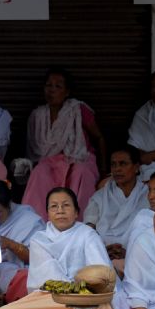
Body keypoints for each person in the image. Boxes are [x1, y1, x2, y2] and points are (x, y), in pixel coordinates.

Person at [0, 187, 113, 309]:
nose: (60, 210)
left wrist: (83, 292)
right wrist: (71, 290)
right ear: (48, 214)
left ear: (76, 212)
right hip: (53, 299)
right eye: (54, 206)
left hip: (87, 302)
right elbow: (49, 279)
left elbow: (103, 274)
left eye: (66, 205)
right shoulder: (39, 239)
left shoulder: (88, 235)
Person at [22, 68, 107, 221]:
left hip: (79, 158)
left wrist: (103, 169)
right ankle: (35, 224)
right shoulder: (37, 115)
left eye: (58, 86)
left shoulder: (77, 110)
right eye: (49, 85)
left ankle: (81, 224)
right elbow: (34, 150)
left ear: (67, 92)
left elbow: (99, 137)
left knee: (81, 172)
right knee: (39, 172)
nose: (52, 90)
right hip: (50, 161)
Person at [84, 145, 149, 254]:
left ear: (136, 167)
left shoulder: (148, 194)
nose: (117, 169)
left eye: (123, 164)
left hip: (138, 251)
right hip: (102, 251)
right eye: (113, 164)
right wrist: (102, 249)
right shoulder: (99, 196)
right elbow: (88, 229)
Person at [0, 180, 45, 304]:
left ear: (9, 205)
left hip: (22, 276)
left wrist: (10, 244)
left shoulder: (28, 220)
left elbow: (40, 257)